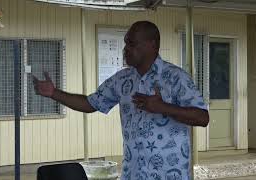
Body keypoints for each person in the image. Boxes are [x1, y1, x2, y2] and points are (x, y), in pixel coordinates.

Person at [33, 21, 209, 180]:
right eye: (126, 43)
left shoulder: (176, 77)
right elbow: (90, 103)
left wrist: (163, 107)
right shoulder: (122, 79)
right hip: (132, 173)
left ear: (152, 45)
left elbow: (202, 118)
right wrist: (54, 93)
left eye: (131, 43)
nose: (125, 49)